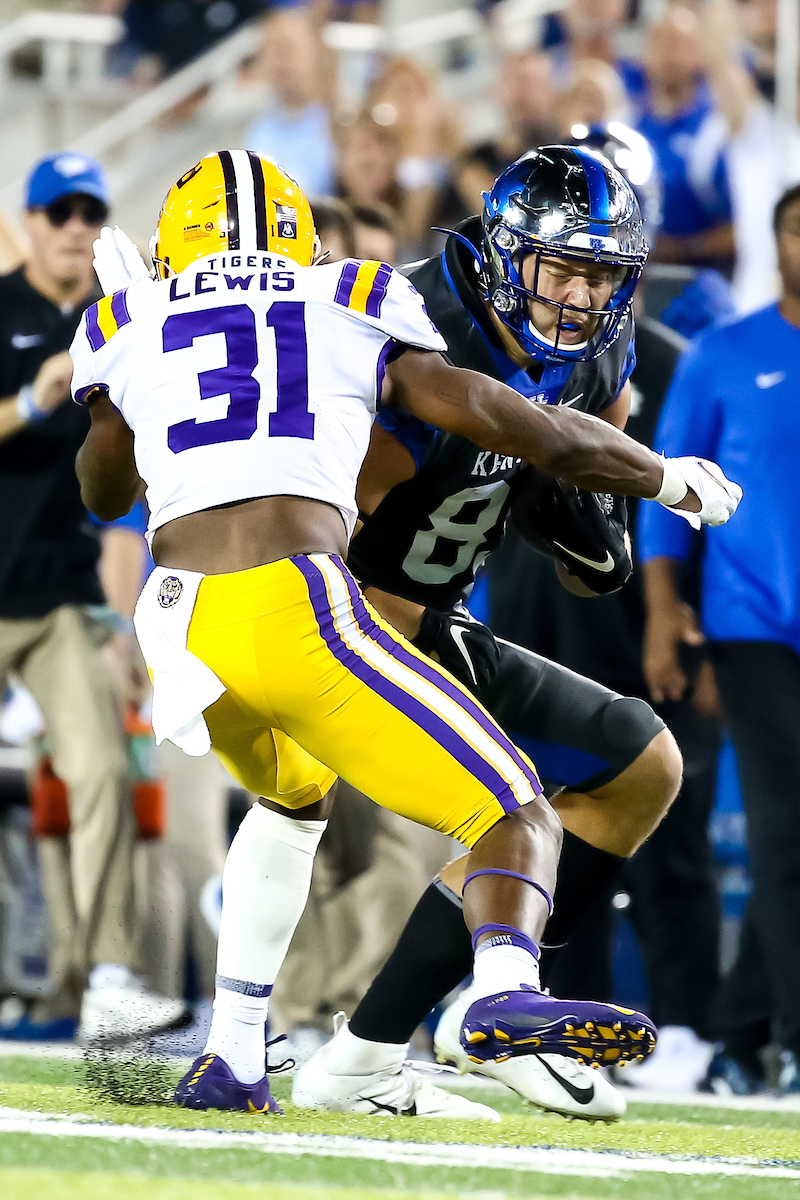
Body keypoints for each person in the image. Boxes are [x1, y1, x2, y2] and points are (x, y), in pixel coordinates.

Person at [73, 150, 736, 1116]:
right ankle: (495, 1000)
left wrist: (122, 375)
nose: (586, 296)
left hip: (178, 620)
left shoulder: (125, 320)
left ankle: (244, 1055)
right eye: (567, 269)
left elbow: (104, 490)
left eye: (603, 275)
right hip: (324, 606)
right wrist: (665, 478)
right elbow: (517, 433)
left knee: (296, 801)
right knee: (515, 808)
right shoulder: (356, 299)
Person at [0, 152, 184, 1042]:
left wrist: (127, 623)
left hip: (62, 599)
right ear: (31, 223)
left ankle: (107, 976)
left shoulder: (122, 327)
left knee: (105, 772)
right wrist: (28, 406)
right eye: (58, 212)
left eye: (89, 213)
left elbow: (136, 490)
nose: (75, 227)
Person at [638, 182, 800, 1094]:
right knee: (784, 834)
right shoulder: (722, 355)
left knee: (790, 841)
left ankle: (739, 1035)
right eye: (796, 227)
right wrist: (667, 613)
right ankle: (790, 1041)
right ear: (773, 241)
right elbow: (666, 498)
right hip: (753, 626)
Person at [636, 7, 735, 274]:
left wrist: (679, 249)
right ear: (645, 53)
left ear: (700, 54)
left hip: (702, 282)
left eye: (681, 45)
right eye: (663, 43)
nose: (671, 56)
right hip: (635, 283)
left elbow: (743, 227)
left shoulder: (718, 131)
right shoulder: (625, 125)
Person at [245, 9, 336, 199]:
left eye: (288, 48)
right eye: (273, 49)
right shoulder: (257, 131)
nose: (281, 60)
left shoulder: (338, 124)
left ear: (314, 52)